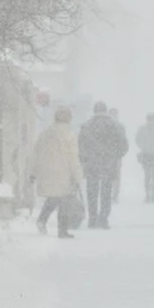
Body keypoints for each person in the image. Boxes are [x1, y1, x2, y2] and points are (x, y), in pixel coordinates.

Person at [30, 107, 84, 239]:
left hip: (46, 171)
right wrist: (77, 177)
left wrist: (33, 172)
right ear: (69, 119)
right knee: (64, 200)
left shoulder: (45, 134)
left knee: (54, 197)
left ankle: (42, 220)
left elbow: (35, 154)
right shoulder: (69, 136)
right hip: (62, 172)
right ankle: (62, 230)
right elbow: (73, 158)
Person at [78, 101, 129, 228]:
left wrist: (84, 159)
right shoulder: (116, 126)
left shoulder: (86, 126)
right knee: (107, 192)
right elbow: (124, 145)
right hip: (109, 163)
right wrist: (116, 156)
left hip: (92, 164)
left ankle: (92, 219)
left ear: (94, 111)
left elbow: (80, 145)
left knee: (92, 192)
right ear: (106, 111)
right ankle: (103, 219)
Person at [109, 108, 125, 204]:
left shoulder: (105, 126)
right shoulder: (120, 126)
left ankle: (111, 194)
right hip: (116, 155)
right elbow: (124, 143)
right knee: (116, 176)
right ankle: (114, 195)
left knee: (109, 175)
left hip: (109, 155)